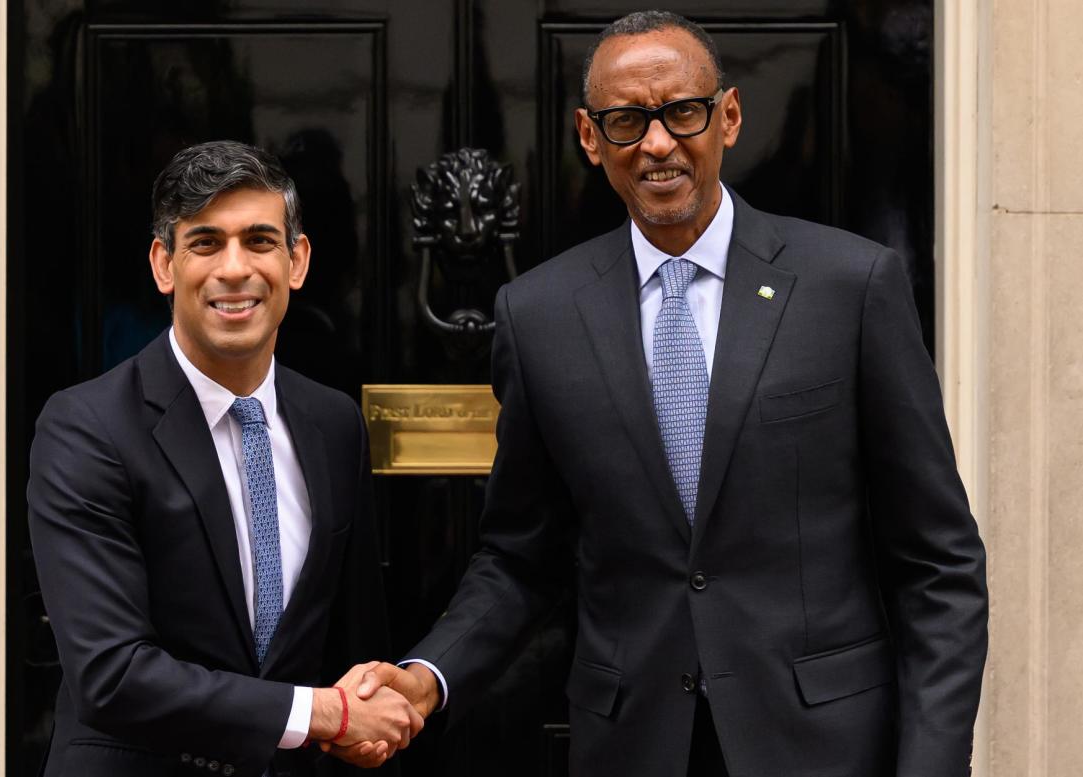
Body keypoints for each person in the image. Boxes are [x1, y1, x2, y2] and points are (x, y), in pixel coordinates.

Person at [347, 11, 988, 777]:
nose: (656, 143)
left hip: (824, 747)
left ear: (728, 116)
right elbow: (521, 555)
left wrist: (931, 763)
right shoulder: (539, 315)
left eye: (681, 111)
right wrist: (426, 679)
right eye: (625, 121)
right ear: (589, 138)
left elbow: (937, 566)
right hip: (633, 745)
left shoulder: (850, 287)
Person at [28, 140, 421, 777]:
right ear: (164, 264)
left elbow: (353, 643)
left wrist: (365, 718)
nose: (234, 268)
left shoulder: (334, 423)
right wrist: (326, 715)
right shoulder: (86, 428)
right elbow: (112, 674)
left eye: (260, 241)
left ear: (297, 261)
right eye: (206, 242)